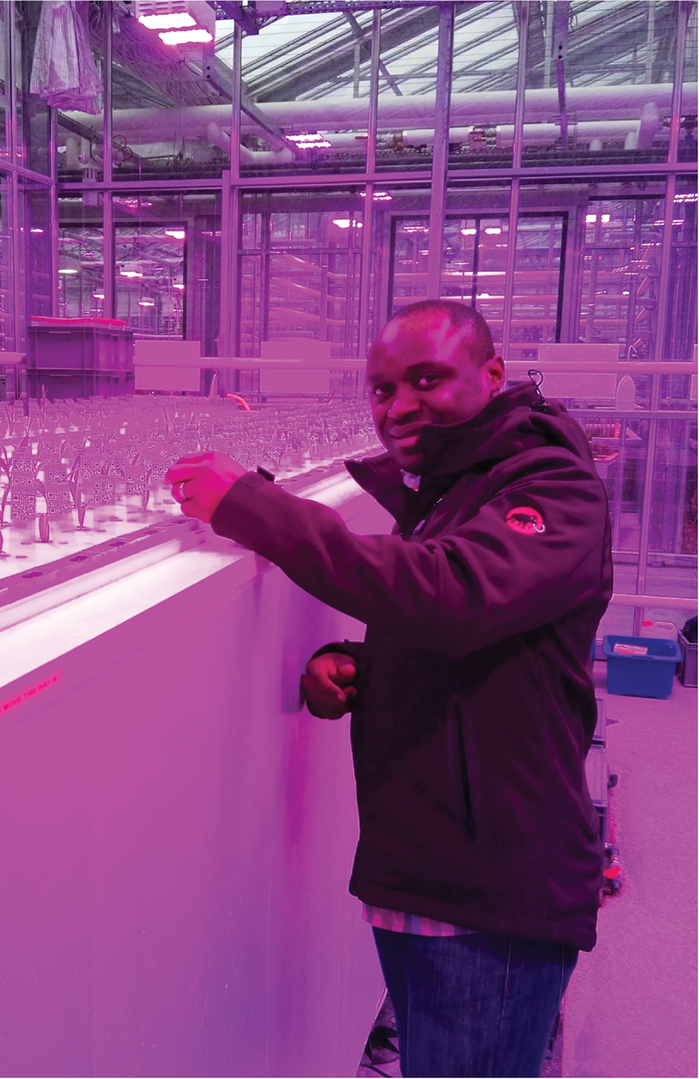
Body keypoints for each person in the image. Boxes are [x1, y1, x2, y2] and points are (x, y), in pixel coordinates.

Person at [165, 300, 612, 1078]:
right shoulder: (455, 483)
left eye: (426, 378)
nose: (398, 405)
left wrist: (251, 506)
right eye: (380, 388)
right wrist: (363, 666)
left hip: (491, 888)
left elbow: (453, 595)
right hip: (433, 867)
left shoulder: (550, 482)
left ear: (493, 375)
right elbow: (483, 642)